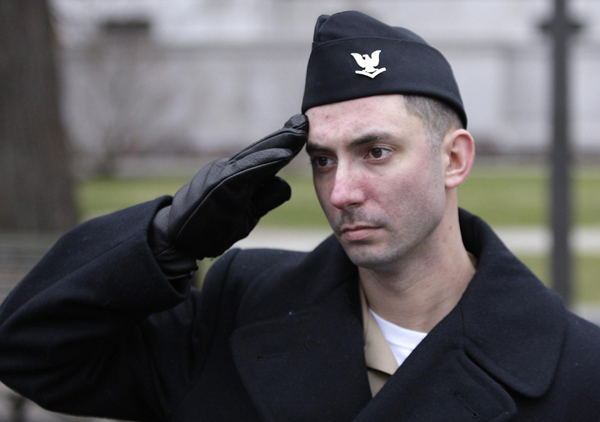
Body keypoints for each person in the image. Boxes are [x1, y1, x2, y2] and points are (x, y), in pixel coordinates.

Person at [1, 10, 600, 422]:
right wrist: (162, 242)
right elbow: (28, 350)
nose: (341, 191)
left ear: (454, 158)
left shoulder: (576, 369)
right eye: (321, 160)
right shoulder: (239, 310)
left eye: (376, 152)